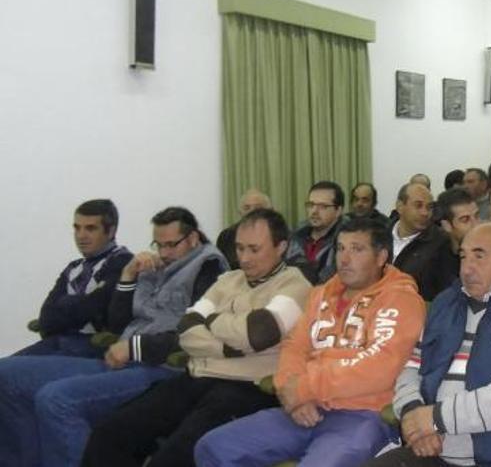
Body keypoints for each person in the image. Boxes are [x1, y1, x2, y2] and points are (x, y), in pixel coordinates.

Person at [81, 209, 313, 467]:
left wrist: (211, 320)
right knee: (110, 433)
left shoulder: (296, 287)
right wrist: (229, 342)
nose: (244, 259)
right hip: (197, 376)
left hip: (247, 387)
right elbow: (187, 327)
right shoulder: (228, 280)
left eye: (254, 249)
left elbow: (256, 334)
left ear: (281, 246)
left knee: (173, 459)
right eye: (239, 248)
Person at [0, 207, 227, 467]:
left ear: (194, 239)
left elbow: (195, 332)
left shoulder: (210, 268)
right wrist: (128, 275)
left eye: (171, 245)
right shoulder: (153, 266)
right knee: (5, 375)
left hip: (162, 367)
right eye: (158, 244)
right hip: (119, 360)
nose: (163, 253)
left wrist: (135, 347)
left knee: (56, 399)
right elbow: (118, 323)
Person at [194, 219, 426, 467]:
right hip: (303, 409)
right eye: (340, 248)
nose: (344, 259)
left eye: (357, 249)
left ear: (381, 257)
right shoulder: (321, 293)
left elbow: (380, 367)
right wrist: (293, 397)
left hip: (363, 415)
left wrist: (305, 387)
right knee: (213, 447)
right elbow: (294, 348)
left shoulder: (401, 299)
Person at [366, 222, 491, 467]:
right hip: (432, 448)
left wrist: (434, 418)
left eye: (479, 256)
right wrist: (413, 415)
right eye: (463, 256)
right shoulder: (446, 302)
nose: (467, 268)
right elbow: (411, 365)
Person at [16, 199, 132, 358]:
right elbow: (46, 318)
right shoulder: (73, 268)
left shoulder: (124, 263)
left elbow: (99, 309)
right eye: (77, 228)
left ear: (110, 231)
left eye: (90, 228)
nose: (81, 236)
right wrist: (83, 304)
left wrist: (66, 303)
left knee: (9, 374)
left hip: (93, 347)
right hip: (58, 341)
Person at [391, 183, 457, 301]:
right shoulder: (378, 236)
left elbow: (446, 294)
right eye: (418, 206)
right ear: (400, 206)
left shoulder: (441, 242)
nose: (425, 213)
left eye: (429, 207)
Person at [287, 181, 345, 284]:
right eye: (311, 205)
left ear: (338, 211)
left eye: (323, 206)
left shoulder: (345, 241)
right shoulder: (294, 236)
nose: (314, 211)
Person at [216, 189, 271, 269]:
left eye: (258, 207)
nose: (252, 211)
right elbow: (221, 268)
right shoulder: (226, 236)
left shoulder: (277, 233)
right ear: (240, 212)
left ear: (269, 211)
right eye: (247, 208)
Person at [435, 188, 481, 268]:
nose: (476, 224)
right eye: (465, 220)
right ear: (447, 226)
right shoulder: (435, 264)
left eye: (476, 216)